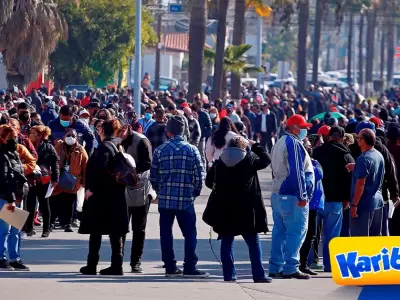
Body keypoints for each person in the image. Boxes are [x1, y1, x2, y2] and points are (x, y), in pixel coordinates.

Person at [204, 136, 272, 283]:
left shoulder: (219, 162)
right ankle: (258, 275)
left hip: (225, 208)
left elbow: (209, 182)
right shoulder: (250, 159)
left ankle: (229, 275)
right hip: (247, 209)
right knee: (253, 243)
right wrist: (256, 146)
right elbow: (266, 160)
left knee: (226, 242)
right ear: (243, 147)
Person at [150, 115, 207, 278]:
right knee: (190, 234)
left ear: (168, 132)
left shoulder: (160, 150)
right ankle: (189, 266)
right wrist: (194, 192)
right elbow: (199, 176)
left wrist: (160, 191)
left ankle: (170, 266)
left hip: (165, 199)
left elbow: (153, 177)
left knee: (166, 233)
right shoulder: (192, 150)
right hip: (186, 199)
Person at [79, 119, 129, 276]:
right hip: (116, 195)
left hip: (102, 197)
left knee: (96, 231)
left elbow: (100, 170)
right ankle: (116, 265)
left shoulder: (104, 148)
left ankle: (91, 265)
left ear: (102, 131)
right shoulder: (118, 145)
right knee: (115, 233)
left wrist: (91, 190)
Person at [269, 114, 313, 280]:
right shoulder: (293, 143)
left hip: (279, 193)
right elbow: (297, 172)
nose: (305, 130)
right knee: (296, 231)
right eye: (303, 128)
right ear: (295, 127)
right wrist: (303, 195)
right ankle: (291, 267)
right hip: (292, 196)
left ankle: (275, 266)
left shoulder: (280, 142)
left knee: (279, 232)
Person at [312, 126, 354, 272]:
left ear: (329, 136)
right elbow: (350, 179)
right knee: (332, 236)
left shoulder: (316, 152)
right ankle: (330, 264)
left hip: (317, 199)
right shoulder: (346, 155)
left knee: (312, 233)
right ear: (342, 138)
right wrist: (348, 198)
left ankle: (309, 261)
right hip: (336, 200)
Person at [120, 123, 153, 273]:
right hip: (122, 189)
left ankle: (136, 261)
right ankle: (118, 259)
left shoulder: (141, 141)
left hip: (141, 188)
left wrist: (131, 171)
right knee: (120, 228)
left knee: (139, 229)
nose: (120, 134)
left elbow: (147, 163)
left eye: (122, 131)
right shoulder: (116, 141)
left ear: (127, 127)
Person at [0, 125, 30, 271]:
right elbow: (4, 179)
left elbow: (18, 172)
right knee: (4, 229)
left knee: (16, 230)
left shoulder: (14, 152)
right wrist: (11, 198)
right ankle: (2, 258)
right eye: (11, 138)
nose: (15, 140)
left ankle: (15, 258)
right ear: (3, 139)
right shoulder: (2, 155)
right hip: (6, 196)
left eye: (16, 137)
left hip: (16, 195)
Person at [50, 129, 88, 232]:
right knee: (55, 201)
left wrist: (84, 182)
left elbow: (85, 166)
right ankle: (51, 222)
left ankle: (67, 223)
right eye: (68, 135)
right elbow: (51, 160)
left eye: (73, 136)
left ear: (76, 138)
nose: (70, 137)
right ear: (64, 136)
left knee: (69, 203)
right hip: (58, 179)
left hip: (72, 181)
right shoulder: (58, 147)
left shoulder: (80, 150)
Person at [349, 129, 385, 236]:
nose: (357, 140)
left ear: (363, 140)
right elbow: (373, 171)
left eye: (358, 138)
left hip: (364, 205)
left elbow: (360, 184)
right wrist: (356, 168)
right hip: (377, 202)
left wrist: (354, 205)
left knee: (360, 242)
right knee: (374, 242)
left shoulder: (363, 159)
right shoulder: (378, 154)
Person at [26, 125, 60, 238]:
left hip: (44, 180)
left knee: (44, 205)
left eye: (34, 132)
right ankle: (29, 228)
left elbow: (55, 164)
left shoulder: (48, 147)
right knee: (29, 204)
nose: (32, 134)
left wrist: (55, 179)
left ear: (41, 135)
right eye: (31, 132)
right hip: (31, 179)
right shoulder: (27, 146)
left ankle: (46, 229)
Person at [298, 138, 324, 275]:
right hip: (307, 203)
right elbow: (318, 173)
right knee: (307, 234)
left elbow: (320, 173)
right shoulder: (304, 164)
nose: (309, 149)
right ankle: (301, 263)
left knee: (311, 235)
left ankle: (303, 263)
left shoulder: (313, 162)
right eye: (307, 147)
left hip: (314, 204)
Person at [192, 100, 212, 169]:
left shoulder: (204, 114)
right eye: (197, 106)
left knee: (201, 154)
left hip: (201, 138)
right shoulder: (191, 113)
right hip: (192, 138)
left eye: (200, 106)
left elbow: (209, 126)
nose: (198, 107)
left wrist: (203, 134)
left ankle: (203, 169)